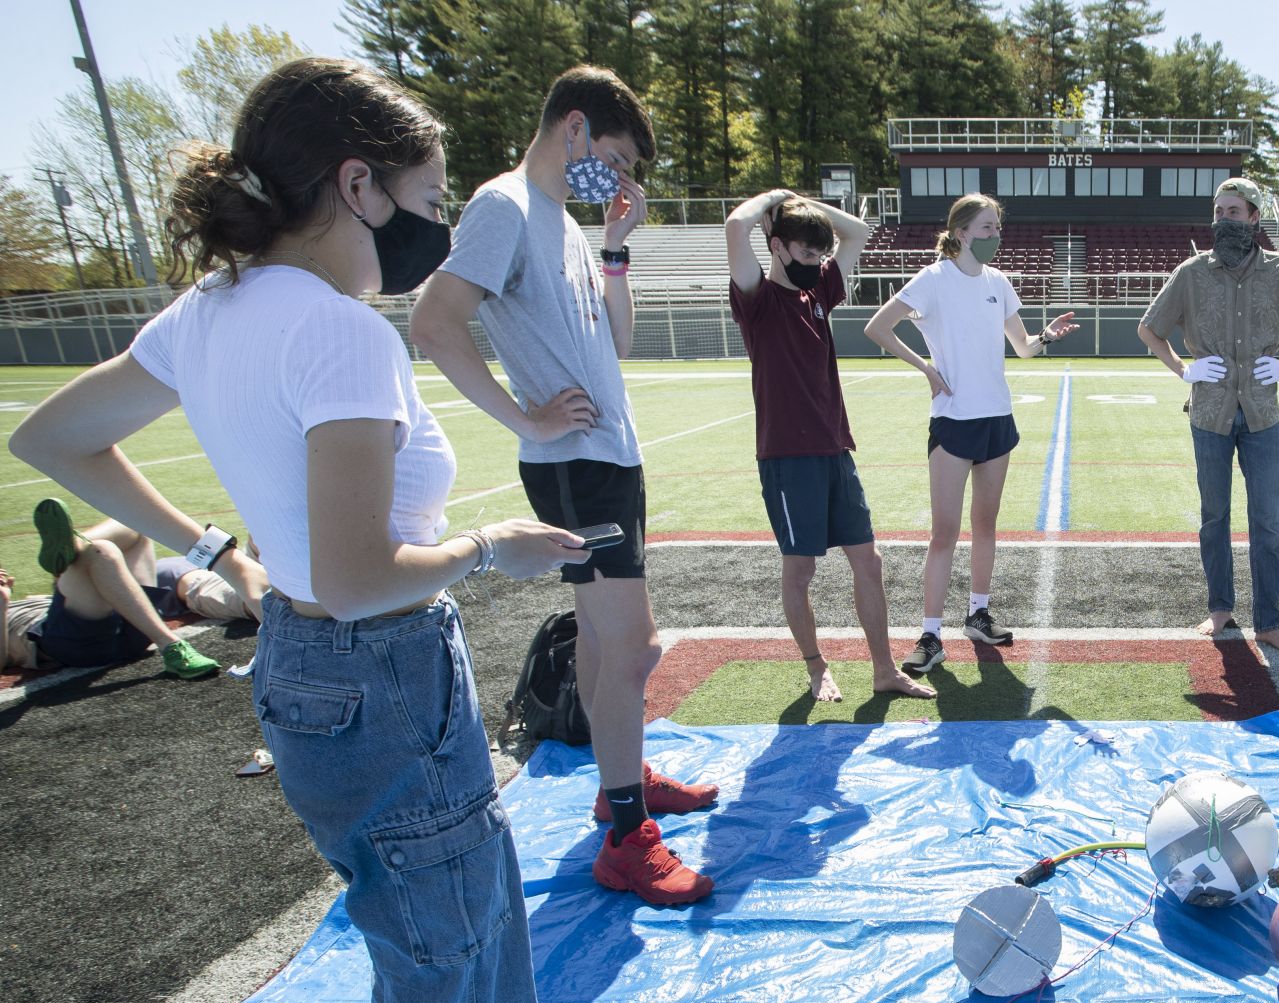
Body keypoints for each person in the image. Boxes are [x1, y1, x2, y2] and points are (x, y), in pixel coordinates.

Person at [10, 58, 595, 1003]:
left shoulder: (215, 309)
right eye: (425, 193)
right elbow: (365, 571)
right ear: (356, 182)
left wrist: (214, 548)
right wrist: (494, 547)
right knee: (446, 955)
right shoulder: (334, 332)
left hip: (314, 672)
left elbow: (53, 436)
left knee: (456, 932)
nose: (434, 223)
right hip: (378, 675)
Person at [413, 65, 716, 907]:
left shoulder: (568, 226)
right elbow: (433, 321)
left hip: (609, 459)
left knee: (599, 642)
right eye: (614, 158)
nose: (616, 179)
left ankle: (621, 778)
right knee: (632, 649)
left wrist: (617, 245)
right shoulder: (503, 205)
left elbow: (614, 340)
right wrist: (526, 417)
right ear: (573, 127)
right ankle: (627, 839)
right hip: (576, 467)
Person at [724, 188, 935, 703]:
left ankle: (884, 670)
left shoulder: (817, 291)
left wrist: (803, 202)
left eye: (820, 253)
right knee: (801, 569)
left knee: (869, 561)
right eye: (805, 251)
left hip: (835, 450)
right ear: (775, 246)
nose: (816, 261)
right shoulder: (757, 299)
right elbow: (734, 227)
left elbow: (858, 233)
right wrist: (772, 198)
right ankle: (817, 668)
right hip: (786, 458)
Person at [862, 193, 1077, 675]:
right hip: (953, 421)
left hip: (996, 418)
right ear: (960, 232)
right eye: (985, 229)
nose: (994, 237)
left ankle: (978, 613)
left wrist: (1046, 336)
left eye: (997, 228)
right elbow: (878, 327)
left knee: (986, 523)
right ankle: (930, 634)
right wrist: (925, 369)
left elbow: (1021, 349)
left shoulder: (999, 282)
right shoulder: (933, 279)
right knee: (944, 533)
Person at [1137, 177, 1279, 656]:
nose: (1224, 220)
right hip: (1209, 414)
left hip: (1263, 414)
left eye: (1234, 212)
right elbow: (1149, 328)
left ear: (1254, 217)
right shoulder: (1191, 272)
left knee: (1266, 520)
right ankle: (1220, 607)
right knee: (1213, 516)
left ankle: (1269, 623)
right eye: (1219, 212)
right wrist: (1183, 369)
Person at [5, 497, 245, 677]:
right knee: (103, 550)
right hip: (76, 645)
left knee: (135, 524)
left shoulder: (27, 602)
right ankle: (171, 646)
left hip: (132, 628)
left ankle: (74, 546)